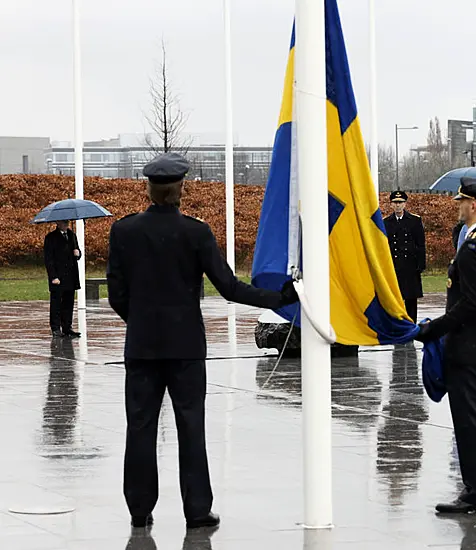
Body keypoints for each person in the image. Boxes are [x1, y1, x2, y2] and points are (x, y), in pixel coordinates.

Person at [106, 153, 299, 529]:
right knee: (191, 428)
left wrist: (142, 322)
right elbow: (229, 288)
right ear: (180, 189)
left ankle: (139, 509)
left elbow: (117, 294)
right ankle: (197, 510)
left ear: (149, 188)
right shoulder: (196, 232)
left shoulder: (124, 231)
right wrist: (280, 298)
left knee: (140, 427)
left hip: (143, 347)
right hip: (186, 349)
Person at [415, 177, 476, 514]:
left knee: (472, 422)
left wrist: (432, 330)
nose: (457, 207)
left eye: (460, 202)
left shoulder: (473, 247)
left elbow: (469, 305)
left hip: (468, 349)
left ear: (472, 205)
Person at [384, 190, 426, 322]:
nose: (398, 205)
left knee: (411, 299)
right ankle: (396, 326)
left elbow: (420, 244)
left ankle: (411, 324)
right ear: (391, 204)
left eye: (400, 203)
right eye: (395, 203)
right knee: (394, 299)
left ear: (405, 204)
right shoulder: (386, 222)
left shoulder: (414, 220)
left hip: (410, 267)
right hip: (394, 267)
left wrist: (420, 265)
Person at [44, 219, 82, 338]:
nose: (67, 224)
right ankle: (55, 327)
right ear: (58, 223)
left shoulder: (71, 235)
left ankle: (67, 327)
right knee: (56, 303)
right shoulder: (51, 238)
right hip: (58, 276)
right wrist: (53, 277)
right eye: (64, 222)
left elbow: (76, 253)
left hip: (70, 275)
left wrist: (78, 253)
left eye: (68, 222)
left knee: (68, 302)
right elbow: (49, 259)